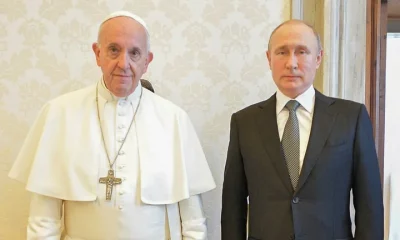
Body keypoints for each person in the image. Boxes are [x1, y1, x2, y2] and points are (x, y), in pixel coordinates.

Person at [9, 10, 215, 240]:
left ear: (147, 61)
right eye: (114, 50)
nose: (123, 63)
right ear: (97, 54)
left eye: (135, 53)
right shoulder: (60, 114)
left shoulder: (174, 119)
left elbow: (193, 222)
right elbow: (43, 220)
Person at [221, 19, 383, 240]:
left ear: (318, 58)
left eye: (302, 52)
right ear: (269, 59)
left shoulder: (350, 118)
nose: (292, 63)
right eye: (282, 52)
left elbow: (370, 205)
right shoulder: (244, 123)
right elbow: (233, 206)